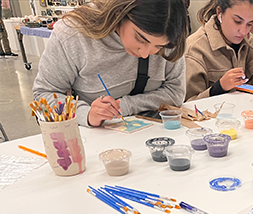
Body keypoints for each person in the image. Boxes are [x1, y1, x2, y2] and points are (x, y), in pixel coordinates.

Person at [33, 0, 187, 127]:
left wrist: (126, 106)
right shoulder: (72, 35)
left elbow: (175, 91)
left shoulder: (170, 36)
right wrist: (85, 114)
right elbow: (44, 95)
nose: (145, 53)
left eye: (158, 46)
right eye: (141, 39)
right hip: (94, 138)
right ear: (120, 13)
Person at [184, 0, 253, 102]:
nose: (243, 31)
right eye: (237, 21)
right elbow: (187, 106)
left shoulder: (248, 43)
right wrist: (219, 88)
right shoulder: (195, 49)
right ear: (219, 13)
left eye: (249, 23)